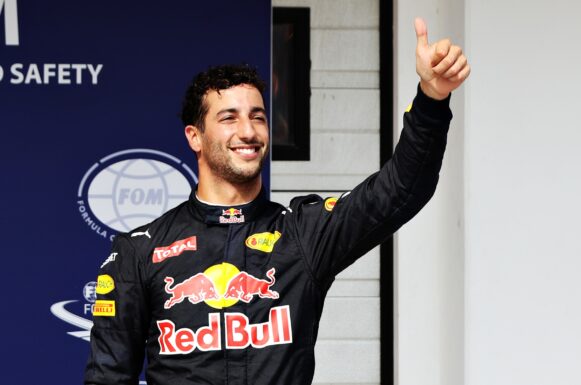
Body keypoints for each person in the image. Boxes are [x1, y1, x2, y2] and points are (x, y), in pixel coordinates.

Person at [84, 17, 470, 385]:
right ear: (195, 137)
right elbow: (108, 376)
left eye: (258, 116)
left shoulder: (303, 232)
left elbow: (401, 189)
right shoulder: (140, 251)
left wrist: (431, 99)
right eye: (229, 118)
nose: (249, 131)